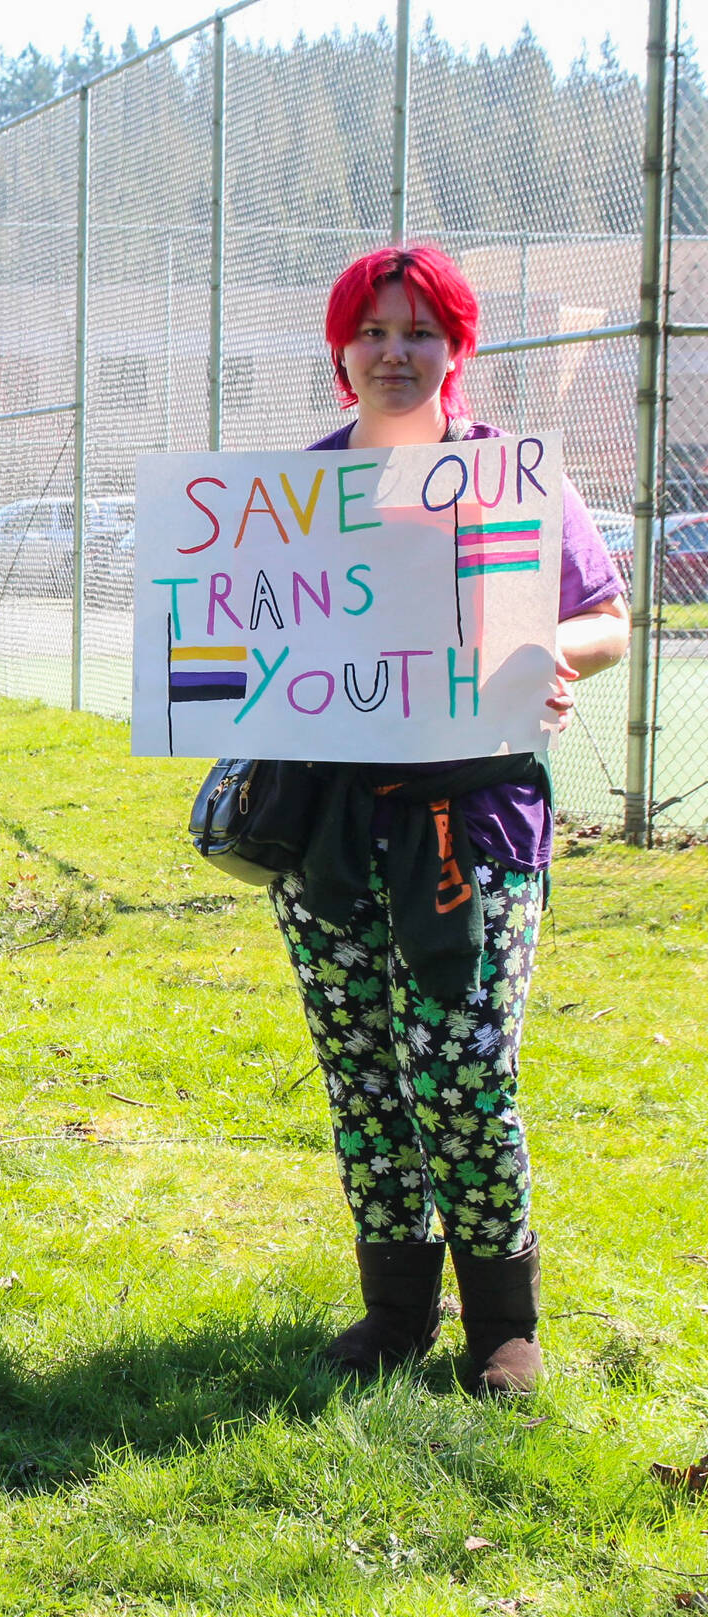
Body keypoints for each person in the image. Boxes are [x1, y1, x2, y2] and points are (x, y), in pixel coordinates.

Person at [278, 244, 628, 1394]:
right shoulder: (291, 491)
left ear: (453, 348)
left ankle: (501, 1325)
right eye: (371, 330)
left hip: (471, 828)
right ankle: (393, 1314)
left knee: (463, 1070)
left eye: (417, 331)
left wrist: (540, 652)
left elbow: (602, 619)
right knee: (364, 1076)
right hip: (328, 834)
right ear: (340, 347)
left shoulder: (507, 476)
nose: (392, 351)